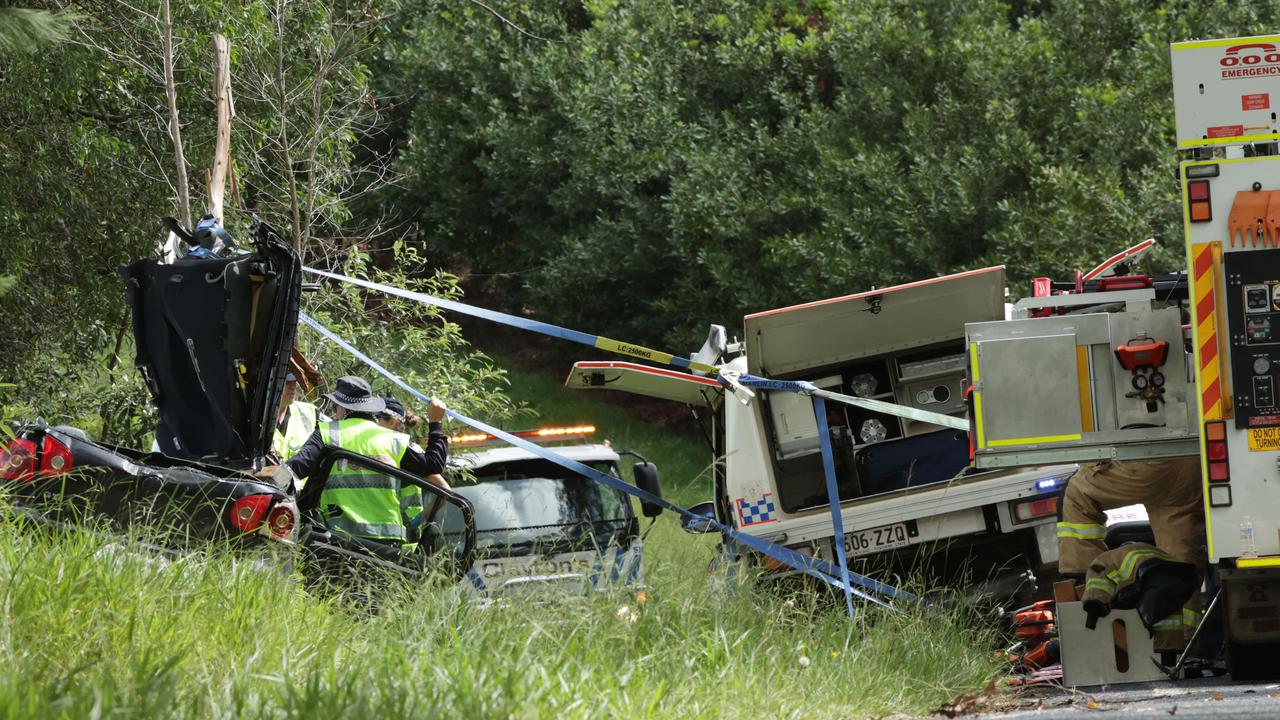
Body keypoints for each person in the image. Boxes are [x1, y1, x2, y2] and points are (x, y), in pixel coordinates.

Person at [1057, 459, 1206, 655]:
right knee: (1176, 567)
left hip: (1154, 461)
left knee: (1076, 493)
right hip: (1195, 465)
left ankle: (1086, 591)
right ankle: (1180, 647)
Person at [281, 375, 449, 544]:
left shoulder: (327, 434)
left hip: (337, 539)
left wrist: (262, 474)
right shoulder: (395, 440)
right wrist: (436, 423)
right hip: (387, 544)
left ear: (343, 408)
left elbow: (295, 469)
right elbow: (433, 465)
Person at [377, 396, 450, 491]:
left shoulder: (397, 446)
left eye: (376, 418)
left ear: (392, 422)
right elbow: (445, 489)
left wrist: (435, 422)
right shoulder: (387, 445)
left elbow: (435, 468)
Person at [272, 372, 329, 462]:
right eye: (287, 382)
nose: (292, 386)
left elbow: (335, 432)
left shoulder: (310, 412)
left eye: (295, 381)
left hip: (297, 476)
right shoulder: (256, 416)